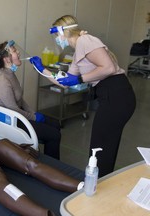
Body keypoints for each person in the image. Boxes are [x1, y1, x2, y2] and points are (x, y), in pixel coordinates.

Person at [29, 15, 136, 177]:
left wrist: (79, 78)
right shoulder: (77, 52)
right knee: (104, 146)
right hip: (111, 96)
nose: (57, 40)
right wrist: (43, 69)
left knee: (100, 146)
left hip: (116, 94)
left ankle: (97, 186)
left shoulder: (85, 41)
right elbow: (65, 82)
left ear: (64, 32)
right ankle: (101, 183)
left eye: (56, 35)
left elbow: (109, 68)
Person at [0, 40, 62, 159]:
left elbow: (20, 99)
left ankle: (47, 158)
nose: (18, 52)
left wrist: (33, 112)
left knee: (56, 124)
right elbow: (13, 109)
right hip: (13, 121)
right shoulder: (2, 81)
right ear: (7, 59)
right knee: (54, 135)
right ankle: (51, 167)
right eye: (14, 51)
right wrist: (34, 117)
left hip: (19, 116)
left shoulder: (10, 74)